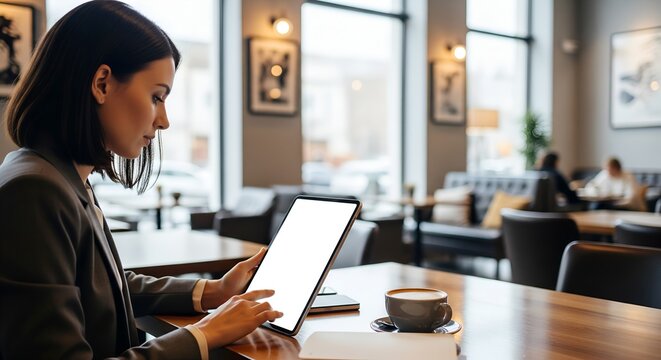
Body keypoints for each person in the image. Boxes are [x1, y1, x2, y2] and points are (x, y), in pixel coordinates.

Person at [0, 1, 282, 359]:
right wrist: (203, 335)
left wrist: (212, 292)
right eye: (156, 97)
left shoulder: (57, 176)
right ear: (101, 83)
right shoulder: (36, 191)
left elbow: (105, 284)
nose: (164, 120)